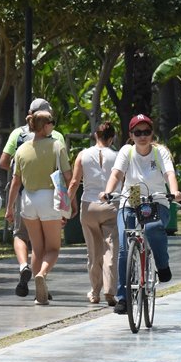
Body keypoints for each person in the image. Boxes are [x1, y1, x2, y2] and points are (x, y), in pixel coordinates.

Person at [100, 114, 181, 315]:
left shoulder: (159, 152)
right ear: (131, 135)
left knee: (154, 228)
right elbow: (117, 174)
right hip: (132, 201)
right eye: (138, 132)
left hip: (157, 200)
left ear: (152, 134)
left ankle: (162, 265)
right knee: (123, 247)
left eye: (146, 132)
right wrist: (108, 191)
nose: (142, 136)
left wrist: (175, 191)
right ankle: (123, 298)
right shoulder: (126, 152)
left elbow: (169, 174)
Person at [0, 97, 68, 297]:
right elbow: (65, 174)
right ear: (47, 120)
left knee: (27, 241)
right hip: (50, 197)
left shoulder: (18, 139)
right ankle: (42, 277)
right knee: (52, 247)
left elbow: (7, 166)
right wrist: (69, 202)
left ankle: (25, 267)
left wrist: (10, 206)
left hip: (25, 197)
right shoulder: (57, 140)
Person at [67, 121, 120, 306]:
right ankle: (110, 291)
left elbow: (74, 182)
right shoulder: (117, 156)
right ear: (112, 138)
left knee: (93, 251)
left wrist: (67, 203)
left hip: (89, 205)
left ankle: (95, 291)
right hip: (111, 205)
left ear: (96, 135)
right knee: (110, 250)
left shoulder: (82, 155)